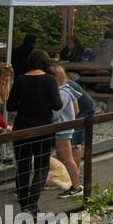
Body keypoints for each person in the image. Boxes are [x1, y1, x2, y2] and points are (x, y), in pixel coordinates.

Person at [6, 49, 63, 213]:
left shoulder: (20, 79)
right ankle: (33, 203)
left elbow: (10, 106)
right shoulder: (50, 80)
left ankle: (23, 203)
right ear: (46, 62)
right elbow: (57, 105)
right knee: (41, 166)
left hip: (22, 126)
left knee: (23, 166)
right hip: (43, 127)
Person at [50, 64, 80, 193]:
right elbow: (76, 110)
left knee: (67, 159)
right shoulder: (67, 90)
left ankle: (76, 186)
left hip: (62, 130)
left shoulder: (62, 94)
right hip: (64, 128)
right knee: (65, 158)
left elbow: (55, 113)